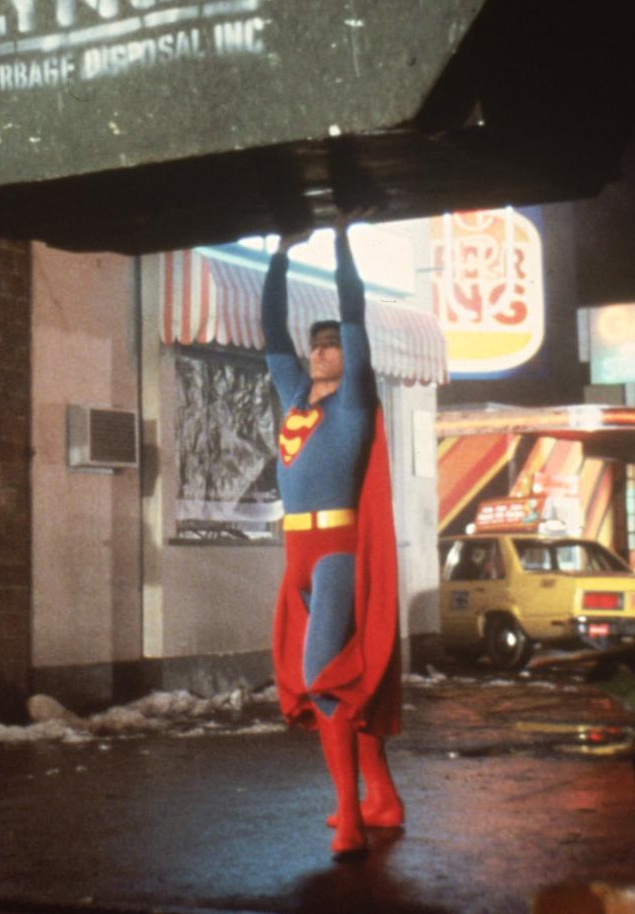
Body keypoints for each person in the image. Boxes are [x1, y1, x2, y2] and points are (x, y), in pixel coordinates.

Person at [263, 220, 404, 859]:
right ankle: (383, 799)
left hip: (337, 557)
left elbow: (354, 312)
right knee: (345, 682)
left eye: (332, 345)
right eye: (315, 345)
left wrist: (342, 239)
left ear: (349, 354)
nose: (320, 352)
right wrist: (281, 256)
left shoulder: (352, 404)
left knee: (322, 679)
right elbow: (272, 332)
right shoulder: (297, 400)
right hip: (298, 557)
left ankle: (350, 816)